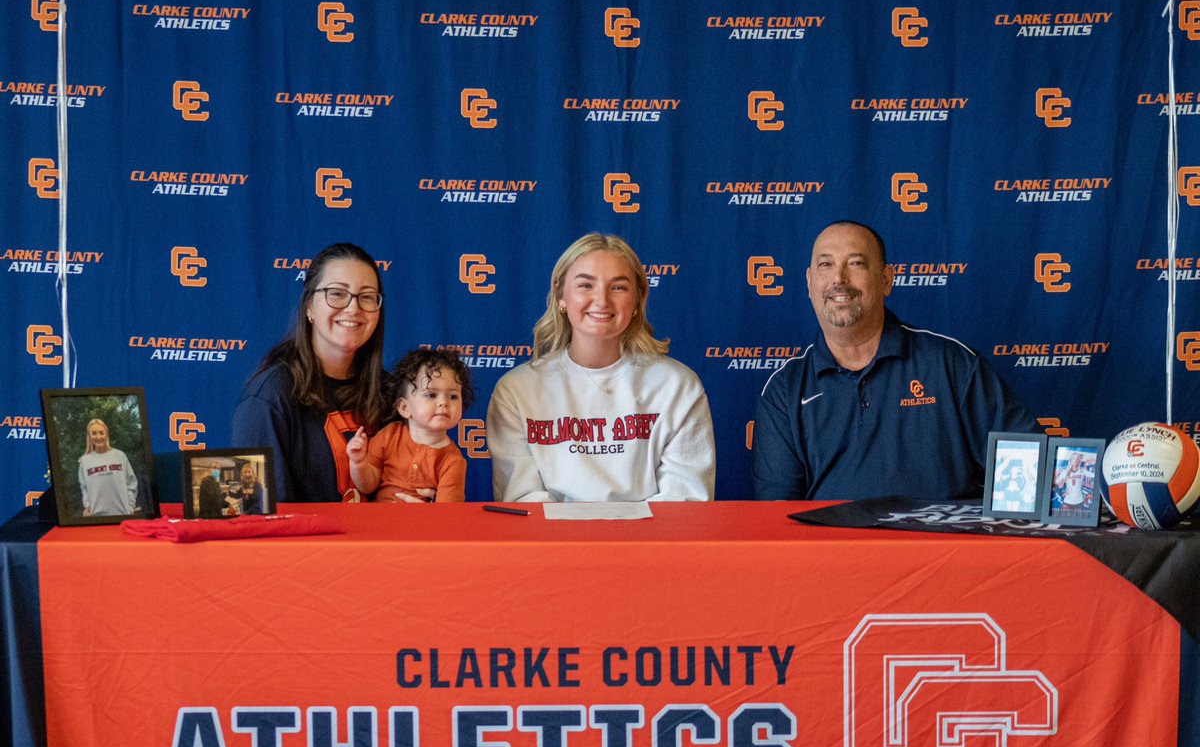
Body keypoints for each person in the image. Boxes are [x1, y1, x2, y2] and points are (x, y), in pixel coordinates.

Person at [753, 220, 1038, 501]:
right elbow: (778, 517)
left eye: (856, 263)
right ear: (809, 282)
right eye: (825, 265)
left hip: (942, 546)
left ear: (887, 280)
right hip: (832, 548)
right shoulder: (785, 390)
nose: (838, 279)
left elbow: (1031, 468)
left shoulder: (950, 364)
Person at [487, 233, 715, 502]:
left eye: (618, 287)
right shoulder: (516, 391)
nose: (602, 300)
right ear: (561, 296)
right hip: (553, 543)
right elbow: (522, 500)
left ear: (637, 302)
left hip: (648, 543)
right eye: (586, 285)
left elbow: (685, 500)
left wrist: (620, 540)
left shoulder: (677, 386)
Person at [231, 242, 390, 502]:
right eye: (337, 293)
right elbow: (260, 514)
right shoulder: (268, 399)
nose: (353, 308)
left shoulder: (390, 391)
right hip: (308, 542)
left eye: (367, 296)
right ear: (309, 307)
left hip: (383, 541)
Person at [347, 349, 472, 503]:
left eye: (453, 396)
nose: (444, 402)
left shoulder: (453, 461)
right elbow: (367, 486)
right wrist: (358, 462)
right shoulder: (389, 435)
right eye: (431, 395)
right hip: (378, 522)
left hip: (423, 525)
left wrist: (426, 515)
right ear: (405, 408)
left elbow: (447, 517)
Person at [77, 418, 138, 517]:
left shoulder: (120, 456)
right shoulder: (84, 461)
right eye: (94, 433)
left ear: (107, 434)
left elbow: (131, 483)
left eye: (101, 433)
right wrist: (87, 506)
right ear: (89, 436)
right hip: (96, 516)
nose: (98, 437)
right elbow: (84, 488)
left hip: (122, 514)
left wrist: (130, 507)